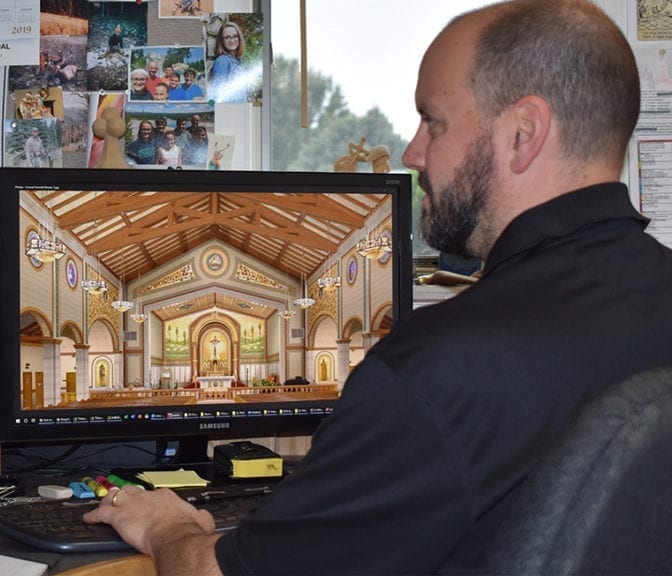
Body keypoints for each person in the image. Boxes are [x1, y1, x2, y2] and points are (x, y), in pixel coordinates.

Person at [84, 1, 672, 574]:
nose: (414, 151)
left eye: (432, 121)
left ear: (524, 133)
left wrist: (168, 527)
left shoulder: (441, 366)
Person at [208, 21, 247, 102]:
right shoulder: (222, 61)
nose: (232, 41)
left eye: (235, 36)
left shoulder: (238, 61)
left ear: (239, 38)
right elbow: (216, 93)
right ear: (221, 41)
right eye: (227, 37)